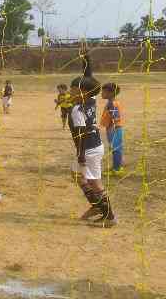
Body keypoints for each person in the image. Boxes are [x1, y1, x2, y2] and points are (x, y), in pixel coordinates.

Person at [69, 56, 116, 227]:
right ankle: (97, 206)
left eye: (73, 89)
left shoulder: (77, 109)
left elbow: (81, 133)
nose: (71, 91)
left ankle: (109, 216)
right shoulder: (91, 100)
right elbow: (89, 79)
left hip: (87, 149)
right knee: (77, 176)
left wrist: (80, 155)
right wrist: (86, 59)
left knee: (94, 182)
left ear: (83, 92)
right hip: (95, 146)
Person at [100, 83, 125, 177]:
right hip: (112, 129)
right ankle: (117, 166)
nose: (102, 93)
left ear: (111, 93)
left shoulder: (112, 104)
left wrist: (113, 129)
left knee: (116, 149)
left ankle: (117, 169)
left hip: (114, 129)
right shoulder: (111, 102)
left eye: (104, 91)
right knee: (114, 148)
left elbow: (116, 117)